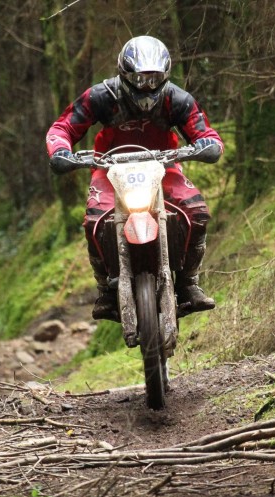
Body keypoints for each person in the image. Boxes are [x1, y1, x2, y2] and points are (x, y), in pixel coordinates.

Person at [46, 35, 223, 321]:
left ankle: (189, 283)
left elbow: (205, 132)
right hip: (109, 168)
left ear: (164, 75)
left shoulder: (176, 98)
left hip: (163, 166)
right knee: (94, 220)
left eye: (154, 79)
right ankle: (105, 289)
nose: (147, 86)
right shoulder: (102, 96)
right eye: (140, 78)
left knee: (197, 212)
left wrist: (207, 146)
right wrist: (61, 151)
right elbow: (63, 126)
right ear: (125, 74)